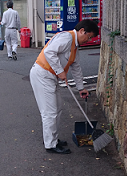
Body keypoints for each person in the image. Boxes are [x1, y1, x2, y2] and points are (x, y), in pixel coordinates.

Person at [30, 20, 99, 154]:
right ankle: (50, 144)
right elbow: (49, 52)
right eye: (89, 36)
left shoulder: (75, 46)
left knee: (58, 107)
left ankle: (53, 139)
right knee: (49, 111)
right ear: (82, 31)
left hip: (51, 77)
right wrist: (60, 71)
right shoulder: (67, 38)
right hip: (43, 75)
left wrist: (81, 88)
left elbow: (76, 67)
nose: (88, 40)